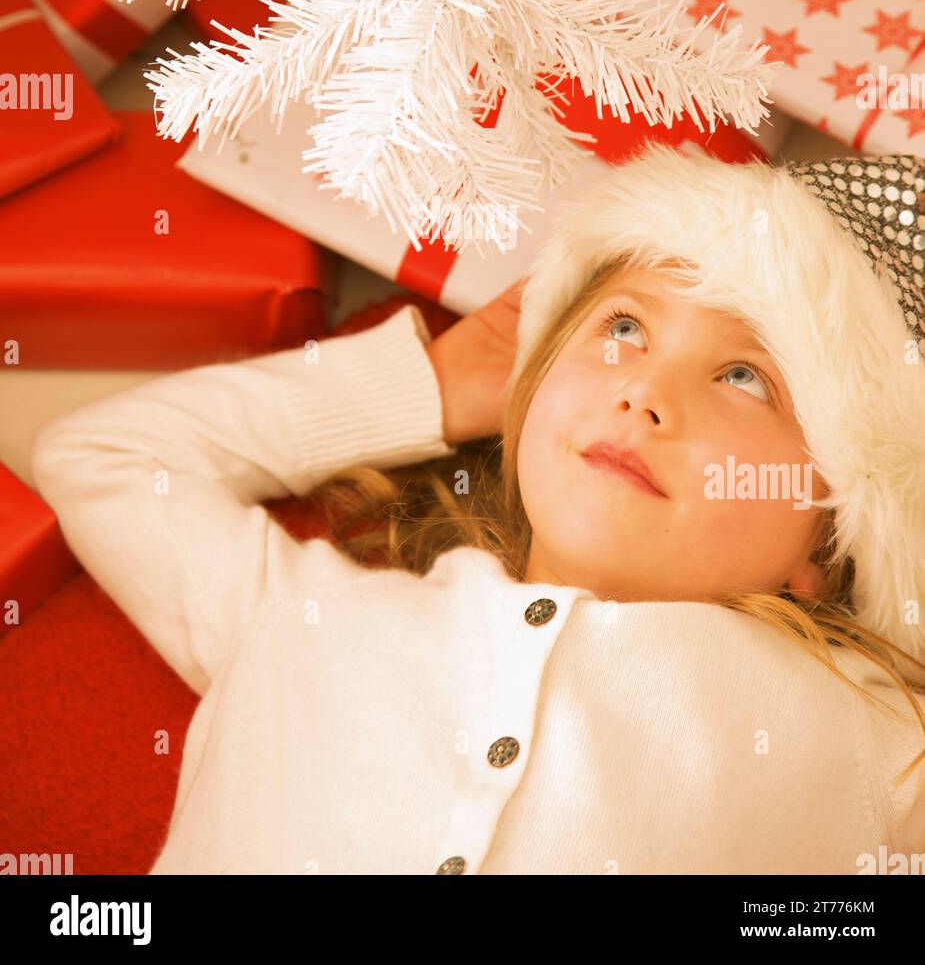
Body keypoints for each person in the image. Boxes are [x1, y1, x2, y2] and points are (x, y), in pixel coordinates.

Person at [30, 142, 925, 875]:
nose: (643, 392)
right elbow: (109, 459)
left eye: (745, 378)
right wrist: (427, 386)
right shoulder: (303, 617)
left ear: (835, 529)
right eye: (621, 328)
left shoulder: (867, 736)